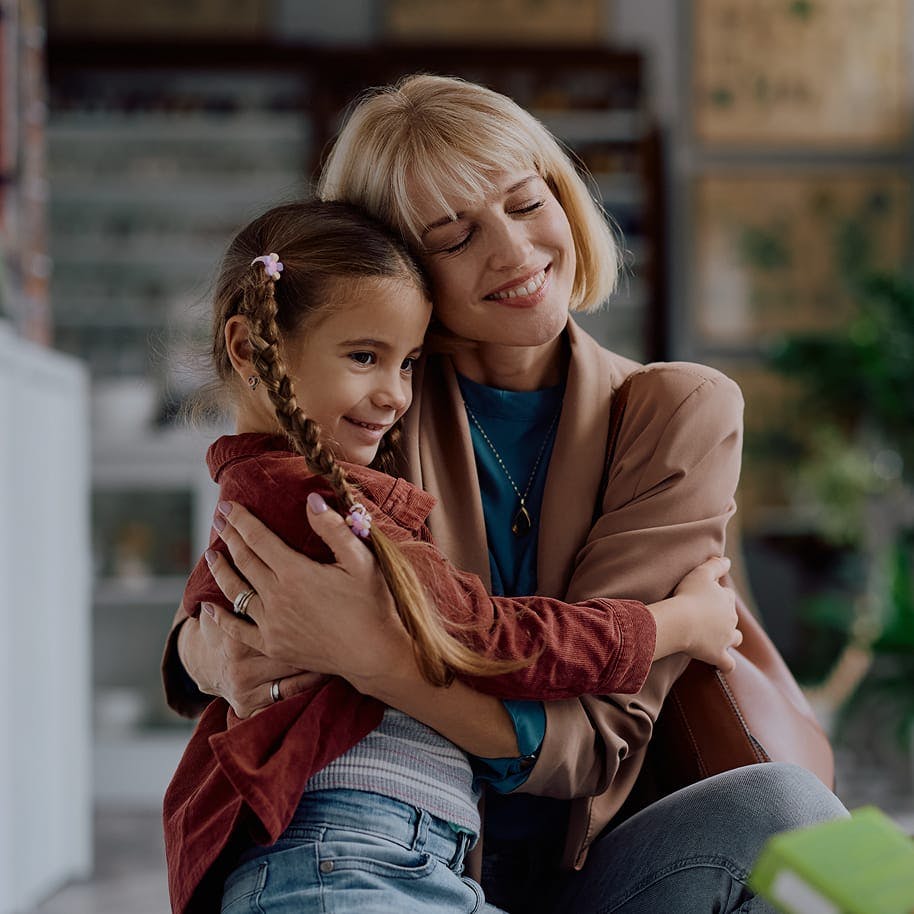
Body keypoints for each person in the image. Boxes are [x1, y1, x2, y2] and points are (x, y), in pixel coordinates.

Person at [164, 76, 848, 913]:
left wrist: (378, 661)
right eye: (454, 236)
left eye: (527, 204)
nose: (516, 253)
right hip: (381, 848)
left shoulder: (678, 411)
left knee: (791, 813)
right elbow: (241, 581)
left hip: (581, 868)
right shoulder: (371, 403)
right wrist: (210, 647)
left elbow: (596, 742)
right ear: (396, 269)